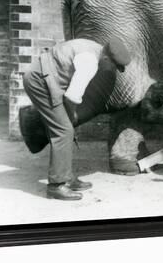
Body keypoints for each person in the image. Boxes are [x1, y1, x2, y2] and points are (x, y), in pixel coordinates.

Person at [23, 37, 131, 200]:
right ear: (107, 58)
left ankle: (66, 176)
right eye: (114, 67)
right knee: (64, 130)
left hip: (47, 77)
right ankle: (56, 186)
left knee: (65, 127)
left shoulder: (96, 46)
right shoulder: (90, 62)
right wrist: (72, 116)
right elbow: (71, 98)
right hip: (40, 81)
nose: (112, 70)